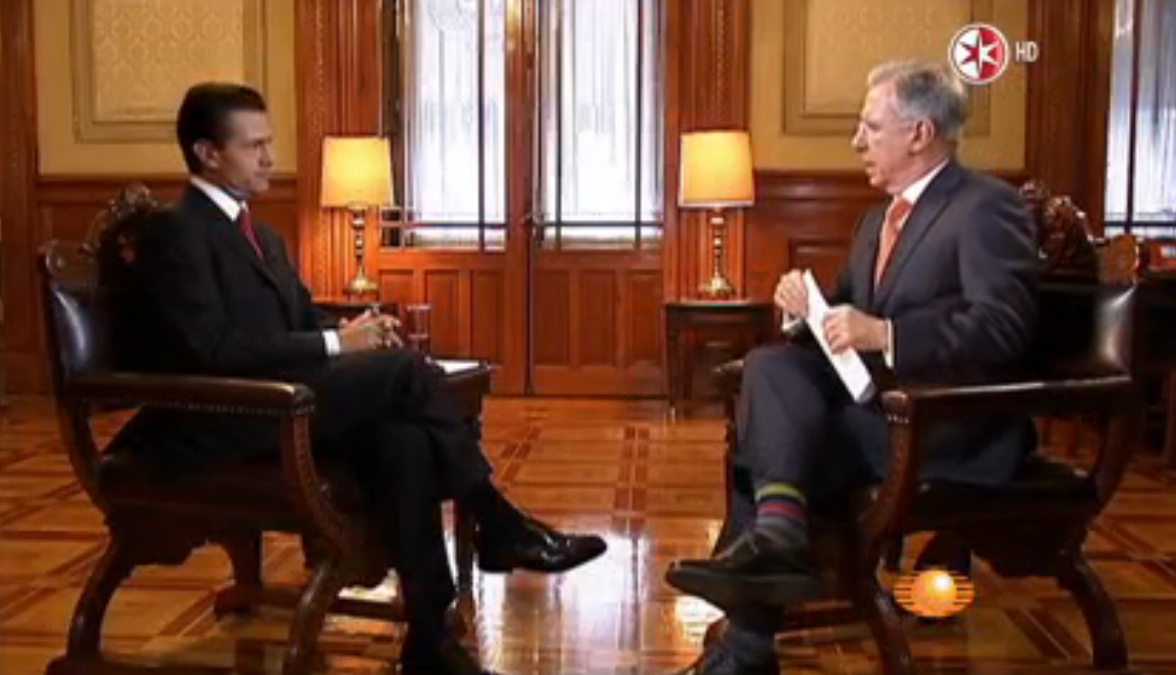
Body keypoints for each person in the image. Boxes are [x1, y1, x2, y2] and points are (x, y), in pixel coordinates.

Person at [106, 82, 606, 675]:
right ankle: (498, 522)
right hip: (222, 419)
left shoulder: (262, 235)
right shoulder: (175, 231)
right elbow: (208, 350)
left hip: (284, 405)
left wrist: (349, 329)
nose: (270, 158)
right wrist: (337, 344)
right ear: (207, 153)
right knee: (405, 372)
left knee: (405, 442)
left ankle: (429, 640)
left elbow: (299, 320)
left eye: (268, 143)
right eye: (254, 146)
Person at [665, 60, 1040, 675]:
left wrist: (886, 334)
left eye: (870, 126)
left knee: (773, 449)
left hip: (943, 424)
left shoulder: (984, 208)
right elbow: (842, 316)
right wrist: (804, 312)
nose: (856, 141)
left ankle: (748, 641)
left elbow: (1004, 328)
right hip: (873, 410)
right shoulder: (875, 220)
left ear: (919, 133)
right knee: (770, 367)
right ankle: (779, 538)